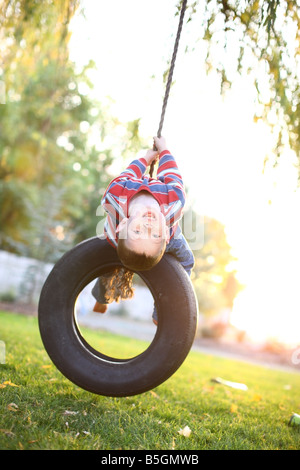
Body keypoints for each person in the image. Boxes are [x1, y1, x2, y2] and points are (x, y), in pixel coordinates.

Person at [92, 136, 194, 324]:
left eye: (138, 231)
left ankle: (160, 309)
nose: (148, 227)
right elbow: (172, 175)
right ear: (162, 232)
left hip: (132, 238)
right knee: (109, 264)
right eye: (154, 234)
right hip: (159, 234)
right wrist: (164, 151)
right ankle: (102, 298)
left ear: (124, 225)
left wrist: (146, 159)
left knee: (107, 260)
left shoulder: (116, 195)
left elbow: (128, 173)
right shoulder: (174, 202)